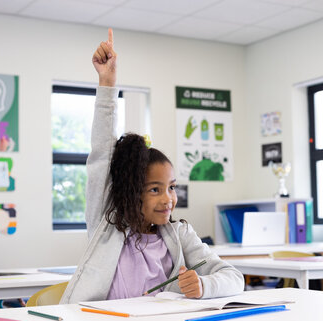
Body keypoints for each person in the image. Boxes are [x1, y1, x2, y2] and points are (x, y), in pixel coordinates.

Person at [60, 29, 244, 303]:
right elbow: (102, 154)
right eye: (155, 190)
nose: (168, 199)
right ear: (132, 192)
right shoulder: (107, 225)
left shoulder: (179, 234)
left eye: (171, 187)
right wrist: (108, 82)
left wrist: (205, 285)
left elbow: (234, 278)